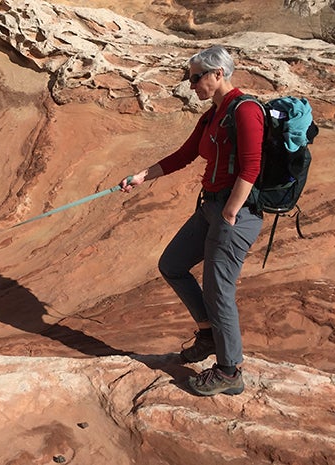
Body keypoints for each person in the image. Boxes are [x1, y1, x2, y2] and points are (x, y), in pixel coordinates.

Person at [120, 45, 264, 396]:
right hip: (210, 208)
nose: (191, 84)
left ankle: (230, 371)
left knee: (219, 291)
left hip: (235, 214)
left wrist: (230, 212)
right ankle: (208, 334)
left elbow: (252, 166)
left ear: (218, 74)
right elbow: (184, 155)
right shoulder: (213, 114)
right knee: (172, 264)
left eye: (196, 77)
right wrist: (142, 175)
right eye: (190, 78)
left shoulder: (245, 111)